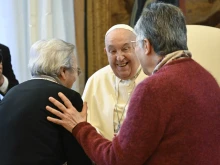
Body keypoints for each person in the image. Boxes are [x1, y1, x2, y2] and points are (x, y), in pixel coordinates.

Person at [46, 2, 220, 165]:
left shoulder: (153, 88)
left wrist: (79, 127)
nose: (120, 57)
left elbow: (117, 160)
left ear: (146, 45)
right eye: (112, 50)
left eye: (132, 46)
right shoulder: (207, 78)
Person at [0, 39, 92, 165]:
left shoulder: (11, 94)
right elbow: (78, 157)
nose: (76, 77)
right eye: (77, 71)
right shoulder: (67, 98)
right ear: (63, 71)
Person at [82, 24, 147, 140]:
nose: (119, 57)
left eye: (125, 49)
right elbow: (86, 125)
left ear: (137, 47)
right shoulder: (96, 81)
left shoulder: (152, 77)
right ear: (105, 52)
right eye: (112, 51)